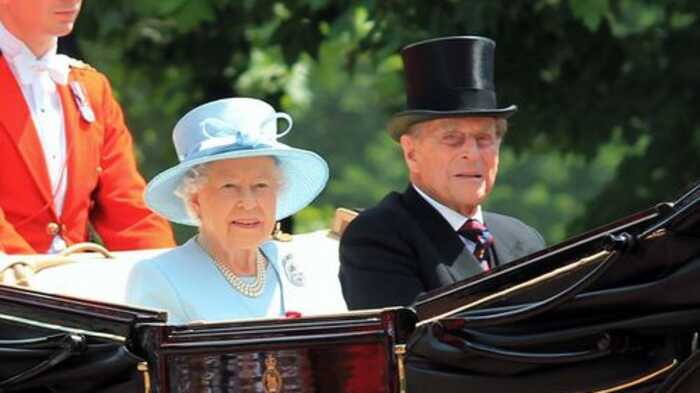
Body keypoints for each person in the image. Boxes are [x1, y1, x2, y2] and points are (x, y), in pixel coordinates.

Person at [339, 36, 546, 310]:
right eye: (452, 138)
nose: (472, 153)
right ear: (411, 152)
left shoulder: (524, 240)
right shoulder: (378, 237)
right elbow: (415, 345)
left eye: (484, 139)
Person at [126, 97, 344, 324]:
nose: (249, 203)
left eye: (261, 186)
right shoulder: (159, 277)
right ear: (194, 200)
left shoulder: (309, 267)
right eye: (229, 186)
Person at [0, 0, 175, 255]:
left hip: (70, 285)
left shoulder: (91, 88)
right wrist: (31, 282)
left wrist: (167, 276)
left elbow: (130, 212)